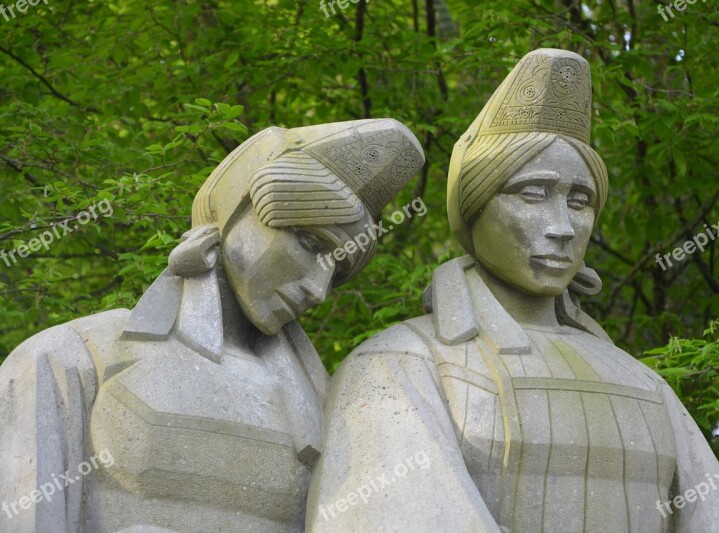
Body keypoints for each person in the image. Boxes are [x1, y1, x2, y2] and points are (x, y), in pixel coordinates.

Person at [307, 50, 719, 532]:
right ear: (475, 209)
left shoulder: (645, 385)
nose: (562, 227)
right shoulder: (397, 366)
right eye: (532, 194)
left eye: (580, 201)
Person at [0, 119, 424, 532]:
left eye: (336, 270)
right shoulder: (72, 358)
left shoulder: (332, 410)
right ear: (240, 208)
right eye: (311, 244)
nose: (319, 290)